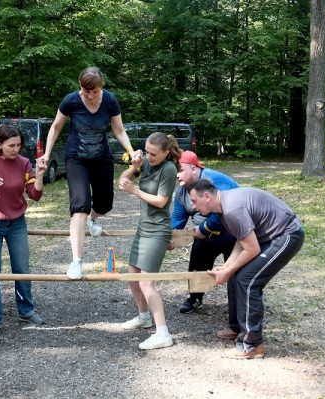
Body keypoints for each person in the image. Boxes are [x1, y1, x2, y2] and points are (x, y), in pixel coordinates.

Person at [36, 66, 135, 280]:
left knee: (105, 203)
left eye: (94, 91)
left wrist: (131, 150)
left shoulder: (109, 100)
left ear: (101, 87)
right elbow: (55, 127)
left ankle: (92, 219)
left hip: (101, 157)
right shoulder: (71, 100)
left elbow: (118, 130)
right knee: (79, 205)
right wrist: (47, 153)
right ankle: (76, 261)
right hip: (76, 158)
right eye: (85, 90)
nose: (89, 95)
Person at [189, 181, 305, 359]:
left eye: (194, 201)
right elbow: (241, 239)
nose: (192, 206)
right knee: (237, 273)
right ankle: (238, 328)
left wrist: (227, 272)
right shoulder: (222, 210)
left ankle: (252, 344)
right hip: (267, 236)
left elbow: (252, 249)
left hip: (287, 234)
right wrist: (228, 266)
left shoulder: (232, 209)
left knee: (248, 280)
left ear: (207, 196)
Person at [0, 125, 46, 338]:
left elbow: (34, 195)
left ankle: (26, 310)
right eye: (11, 145)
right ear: (0, 144)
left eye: (19, 145)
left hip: (16, 222)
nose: (16, 149)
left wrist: (40, 175)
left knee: (22, 269)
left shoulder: (24, 163)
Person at [118, 132, 181, 350]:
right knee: (133, 278)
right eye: (146, 152)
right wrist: (135, 166)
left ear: (165, 152)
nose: (149, 156)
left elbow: (161, 201)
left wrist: (135, 190)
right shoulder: (146, 163)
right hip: (143, 228)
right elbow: (122, 181)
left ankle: (163, 333)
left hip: (158, 231)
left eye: (153, 154)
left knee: (146, 282)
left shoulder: (169, 169)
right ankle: (143, 317)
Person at [171, 150, 239, 314]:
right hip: (206, 236)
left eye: (181, 170)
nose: (177, 175)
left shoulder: (214, 180)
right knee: (196, 266)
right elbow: (178, 217)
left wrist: (202, 229)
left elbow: (223, 210)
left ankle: (239, 305)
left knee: (237, 272)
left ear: (194, 169)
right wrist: (172, 236)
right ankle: (195, 298)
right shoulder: (182, 191)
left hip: (233, 234)